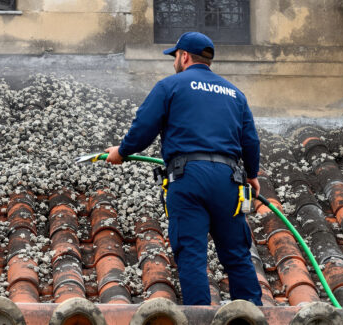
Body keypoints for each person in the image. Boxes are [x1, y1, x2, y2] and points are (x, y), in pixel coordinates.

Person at [104, 31, 262, 306]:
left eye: (175, 56)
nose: (174, 62)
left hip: (188, 178)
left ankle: (199, 317)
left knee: (191, 255)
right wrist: (252, 174)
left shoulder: (170, 86)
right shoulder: (235, 94)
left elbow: (143, 128)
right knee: (237, 255)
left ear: (184, 56)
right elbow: (250, 140)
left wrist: (121, 151)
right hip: (229, 181)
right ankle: (251, 316)